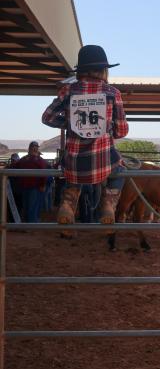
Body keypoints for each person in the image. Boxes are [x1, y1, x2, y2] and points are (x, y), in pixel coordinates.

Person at [41, 45, 129, 234]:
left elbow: (47, 117)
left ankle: (68, 203)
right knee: (120, 168)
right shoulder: (113, 93)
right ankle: (108, 204)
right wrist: (108, 127)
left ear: (80, 70)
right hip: (103, 161)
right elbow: (122, 131)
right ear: (104, 70)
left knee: (72, 169)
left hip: (74, 163)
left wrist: (71, 123)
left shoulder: (68, 90)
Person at [15, 142, 47, 222]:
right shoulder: (39, 160)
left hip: (25, 185)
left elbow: (15, 166)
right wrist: (42, 185)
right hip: (34, 186)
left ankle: (27, 224)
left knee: (26, 206)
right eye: (35, 147)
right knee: (33, 206)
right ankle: (32, 224)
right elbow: (44, 173)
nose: (35, 148)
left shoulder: (24, 158)